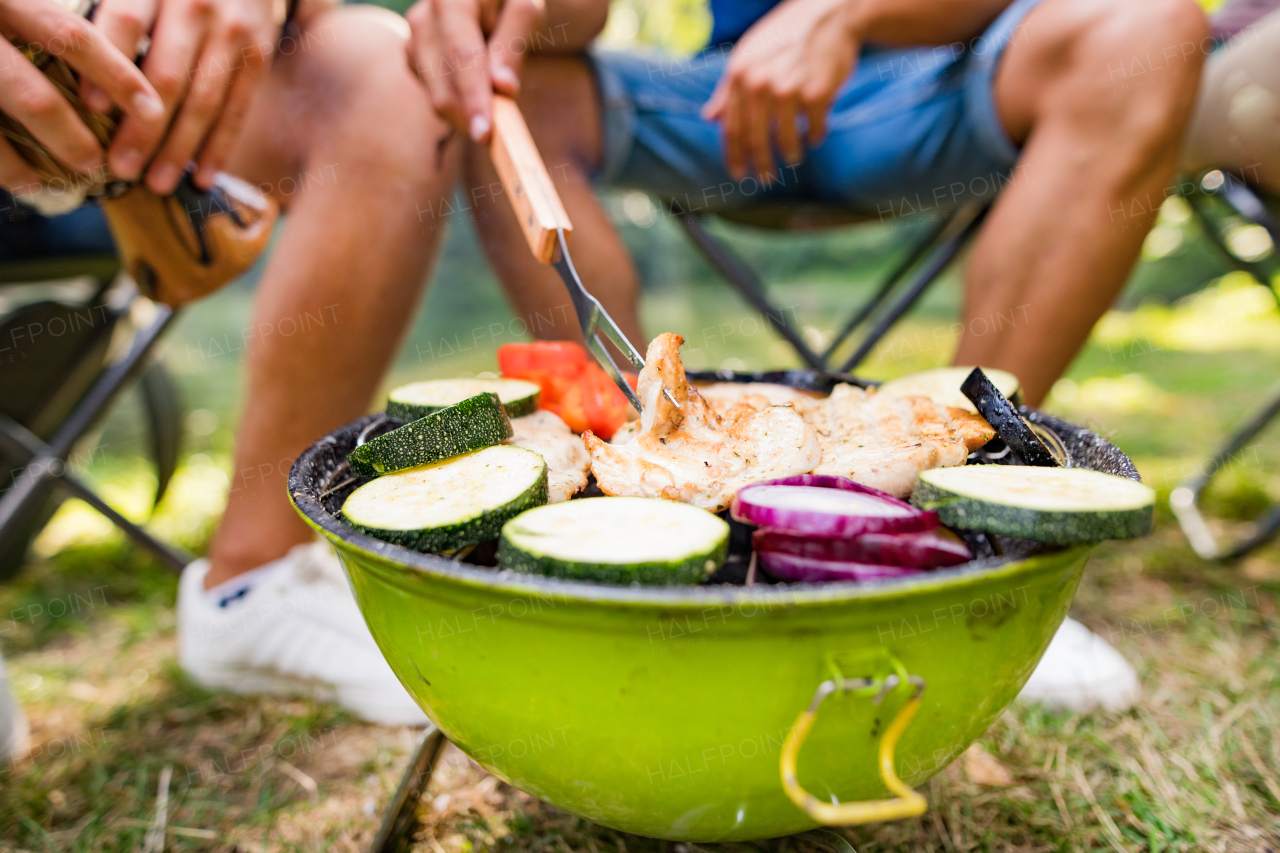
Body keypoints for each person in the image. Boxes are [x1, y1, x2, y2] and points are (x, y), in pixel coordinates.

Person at [409, 0, 1211, 711]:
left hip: (942, 79)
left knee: (1150, 20)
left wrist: (843, 13)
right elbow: (577, 17)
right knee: (500, 92)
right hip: (723, 99)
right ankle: (619, 481)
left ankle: (978, 558)